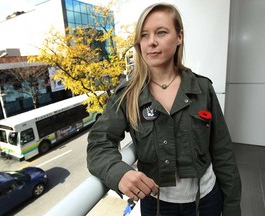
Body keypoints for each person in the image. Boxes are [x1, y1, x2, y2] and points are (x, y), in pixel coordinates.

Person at [87, 3, 241, 216]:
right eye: (144, 35)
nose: (151, 42)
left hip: (206, 201)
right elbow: (98, 143)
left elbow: (223, 152)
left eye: (161, 32)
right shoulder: (127, 94)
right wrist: (117, 172)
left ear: (179, 37)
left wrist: (232, 206)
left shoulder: (202, 88)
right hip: (157, 206)